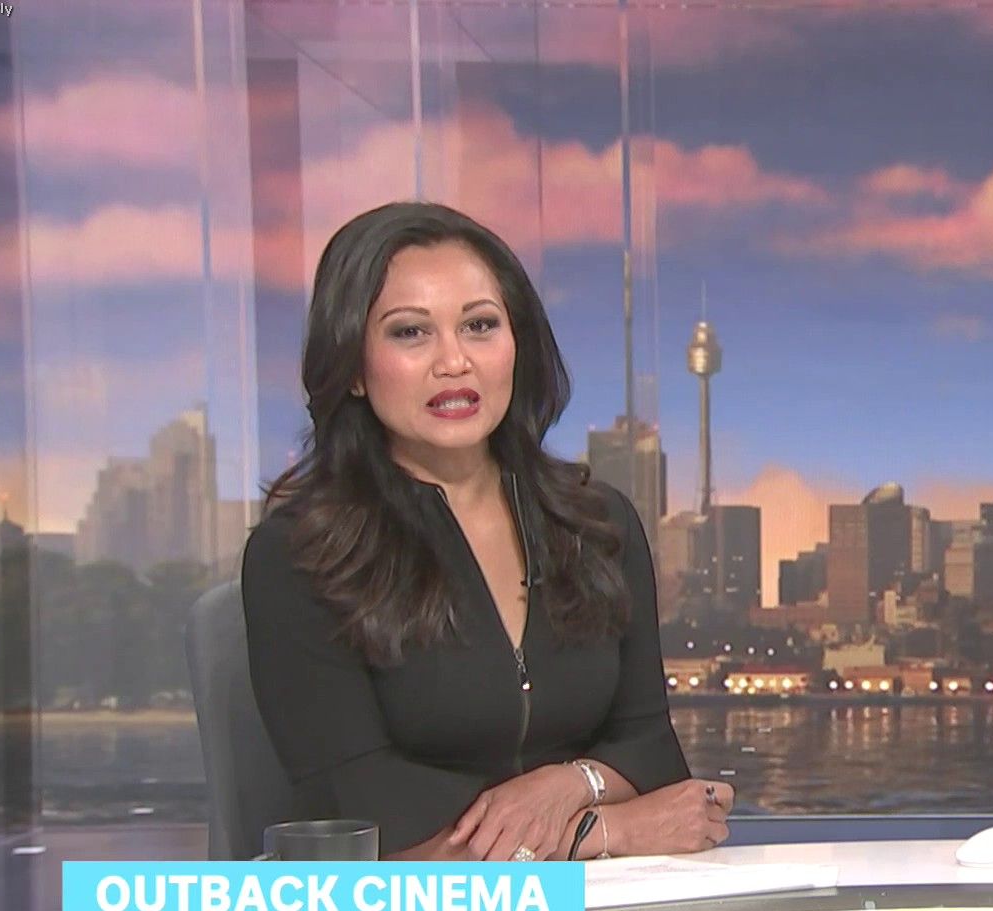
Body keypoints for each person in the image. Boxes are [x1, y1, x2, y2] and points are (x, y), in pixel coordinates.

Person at [243, 201, 731, 860]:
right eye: (410, 333)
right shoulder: (299, 552)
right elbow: (363, 811)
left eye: (479, 325)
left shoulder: (598, 523)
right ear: (353, 367)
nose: (455, 362)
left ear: (516, 344)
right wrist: (607, 829)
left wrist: (568, 784)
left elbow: (650, 749)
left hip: (606, 906)